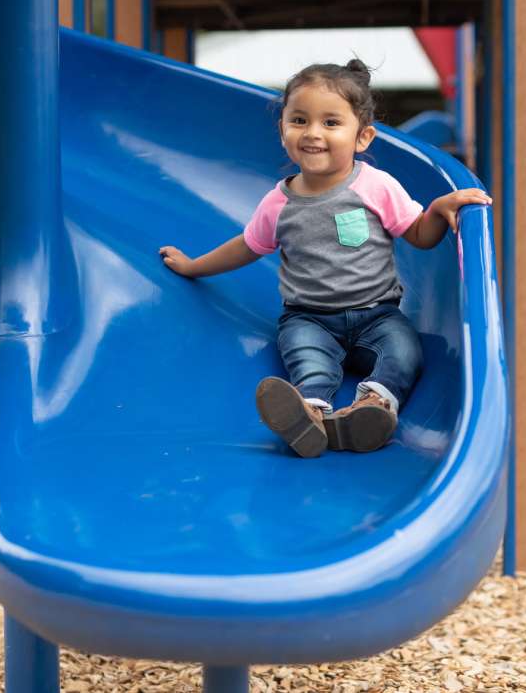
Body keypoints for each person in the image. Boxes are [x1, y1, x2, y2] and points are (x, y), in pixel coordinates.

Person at [159, 59, 491, 459]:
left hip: (377, 314)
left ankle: (374, 407)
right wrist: (194, 266)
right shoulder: (279, 202)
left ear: (363, 137)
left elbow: (418, 235)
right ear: (282, 130)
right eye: (299, 120)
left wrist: (437, 209)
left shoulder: (376, 185)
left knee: (404, 353)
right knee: (306, 358)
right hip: (308, 317)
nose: (313, 133)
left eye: (331, 123)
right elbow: (247, 245)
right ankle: (310, 416)